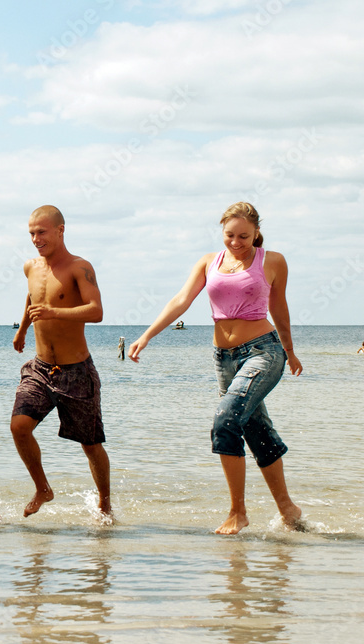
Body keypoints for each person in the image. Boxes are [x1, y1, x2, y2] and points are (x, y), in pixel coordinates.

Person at [129, 202, 303, 535]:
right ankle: (288, 510)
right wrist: (146, 335)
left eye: (244, 236)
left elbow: (279, 308)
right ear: (221, 232)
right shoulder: (209, 262)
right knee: (255, 430)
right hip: (223, 358)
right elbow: (181, 300)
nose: (236, 242)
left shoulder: (273, 261)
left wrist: (290, 352)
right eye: (229, 235)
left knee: (225, 419)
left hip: (263, 352)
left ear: (255, 233)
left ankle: (238, 511)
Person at [11, 205, 112, 519]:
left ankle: (105, 503)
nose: (36, 238)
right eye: (31, 233)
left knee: (91, 444)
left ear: (60, 230)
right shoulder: (30, 267)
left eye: (41, 232)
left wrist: (54, 313)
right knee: (19, 427)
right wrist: (22, 330)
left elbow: (96, 311)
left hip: (76, 371)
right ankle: (43, 488)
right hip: (40, 368)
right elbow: (32, 298)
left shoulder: (79, 268)